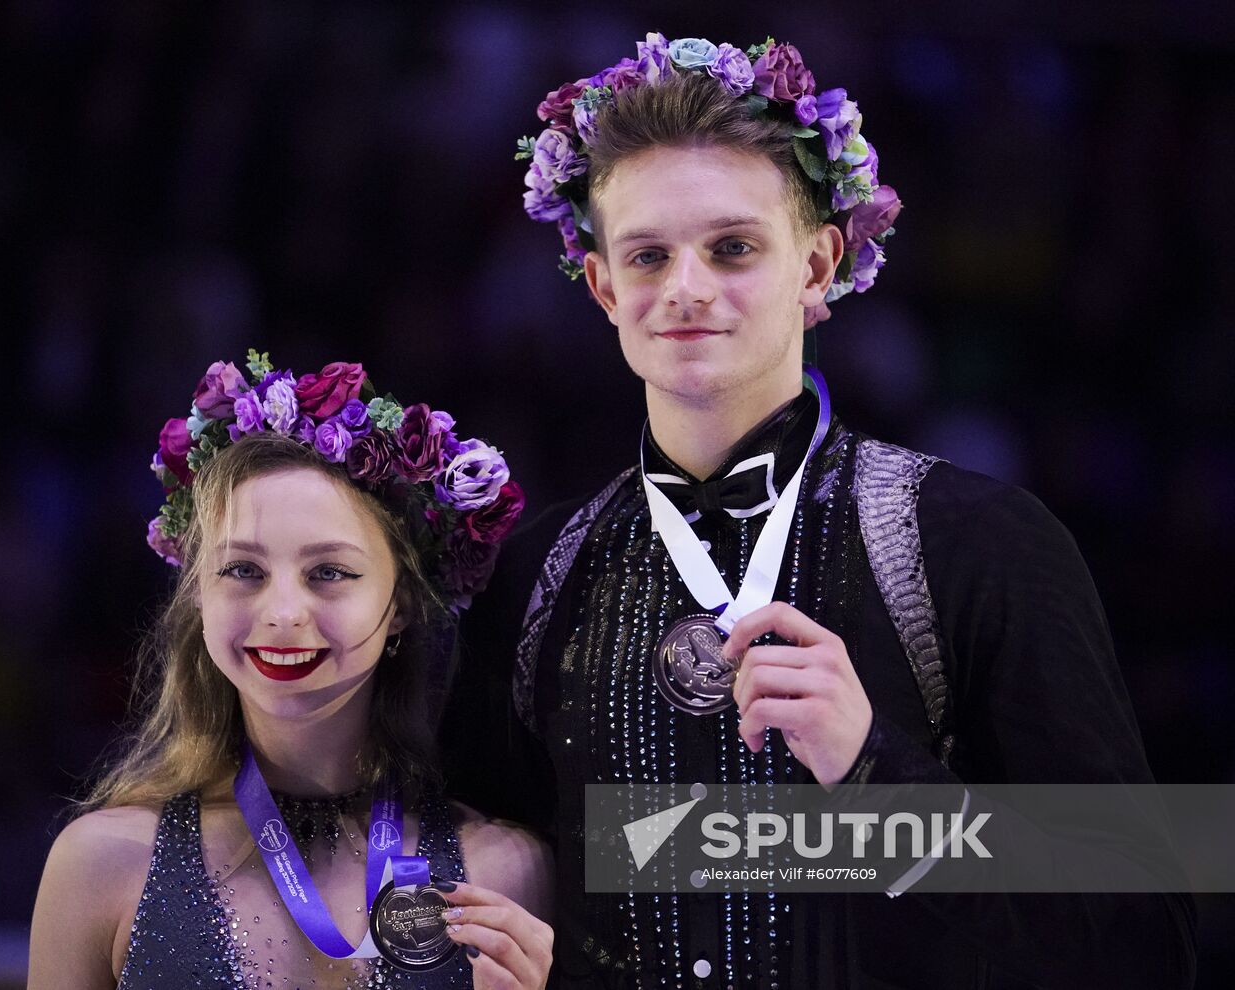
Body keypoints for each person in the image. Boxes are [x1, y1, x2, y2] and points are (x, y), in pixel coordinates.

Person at [442, 33, 1197, 988]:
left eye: (732, 248)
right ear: (602, 288)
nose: (685, 288)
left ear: (816, 264)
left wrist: (876, 776)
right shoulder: (539, 576)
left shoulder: (973, 543)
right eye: (647, 256)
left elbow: (1148, 944)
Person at [29, 351, 553, 989]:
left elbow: (695, 868)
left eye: (328, 572)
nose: (281, 613)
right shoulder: (99, 866)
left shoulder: (504, 871)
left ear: (404, 604)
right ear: (198, 591)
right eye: (243, 570)